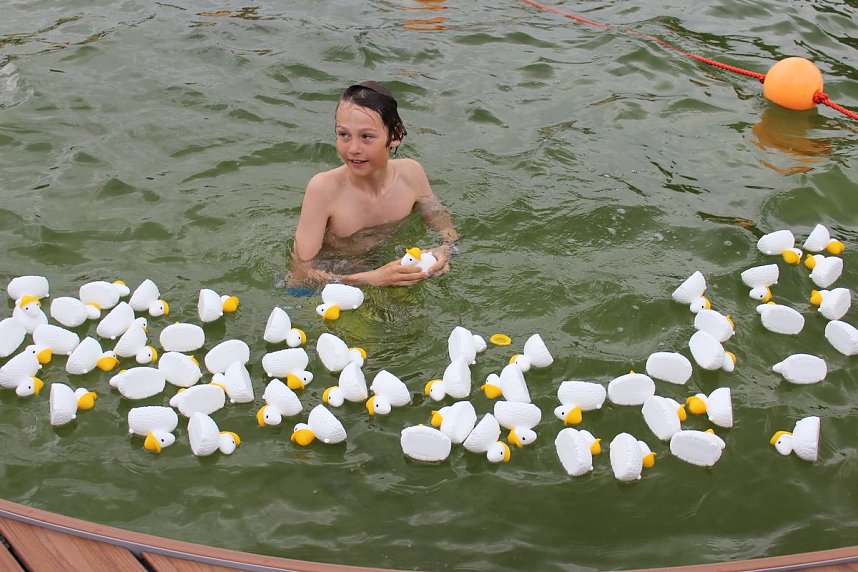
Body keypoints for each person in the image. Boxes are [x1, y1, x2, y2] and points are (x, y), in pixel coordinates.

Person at [290, 81, 459, 287]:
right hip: (338, 281)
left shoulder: (411, 173)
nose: (353, 148)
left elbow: (446, 229)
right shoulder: (323, 189)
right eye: (344, 135)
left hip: (387, 266)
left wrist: (445, 250)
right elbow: (299, 273)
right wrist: (370, 279)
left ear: (395, 135)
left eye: (366, 136)